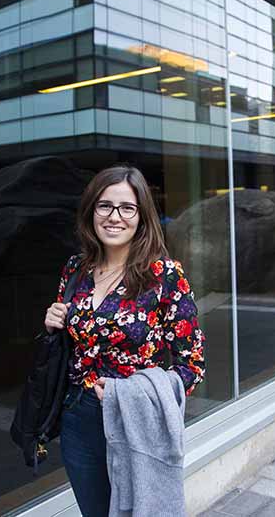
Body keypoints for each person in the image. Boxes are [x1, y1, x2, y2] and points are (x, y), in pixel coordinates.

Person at [43, 165, 206, 517]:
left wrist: (132, 393)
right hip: (78, 417)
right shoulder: (75, 269)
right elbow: (70, 344)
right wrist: (53, 322)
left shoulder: (163, 276)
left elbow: (192, 365)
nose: (114, 217)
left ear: (142, 216)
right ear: (91, 212)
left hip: (135, 419)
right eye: (104, 206)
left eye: (127, 208)